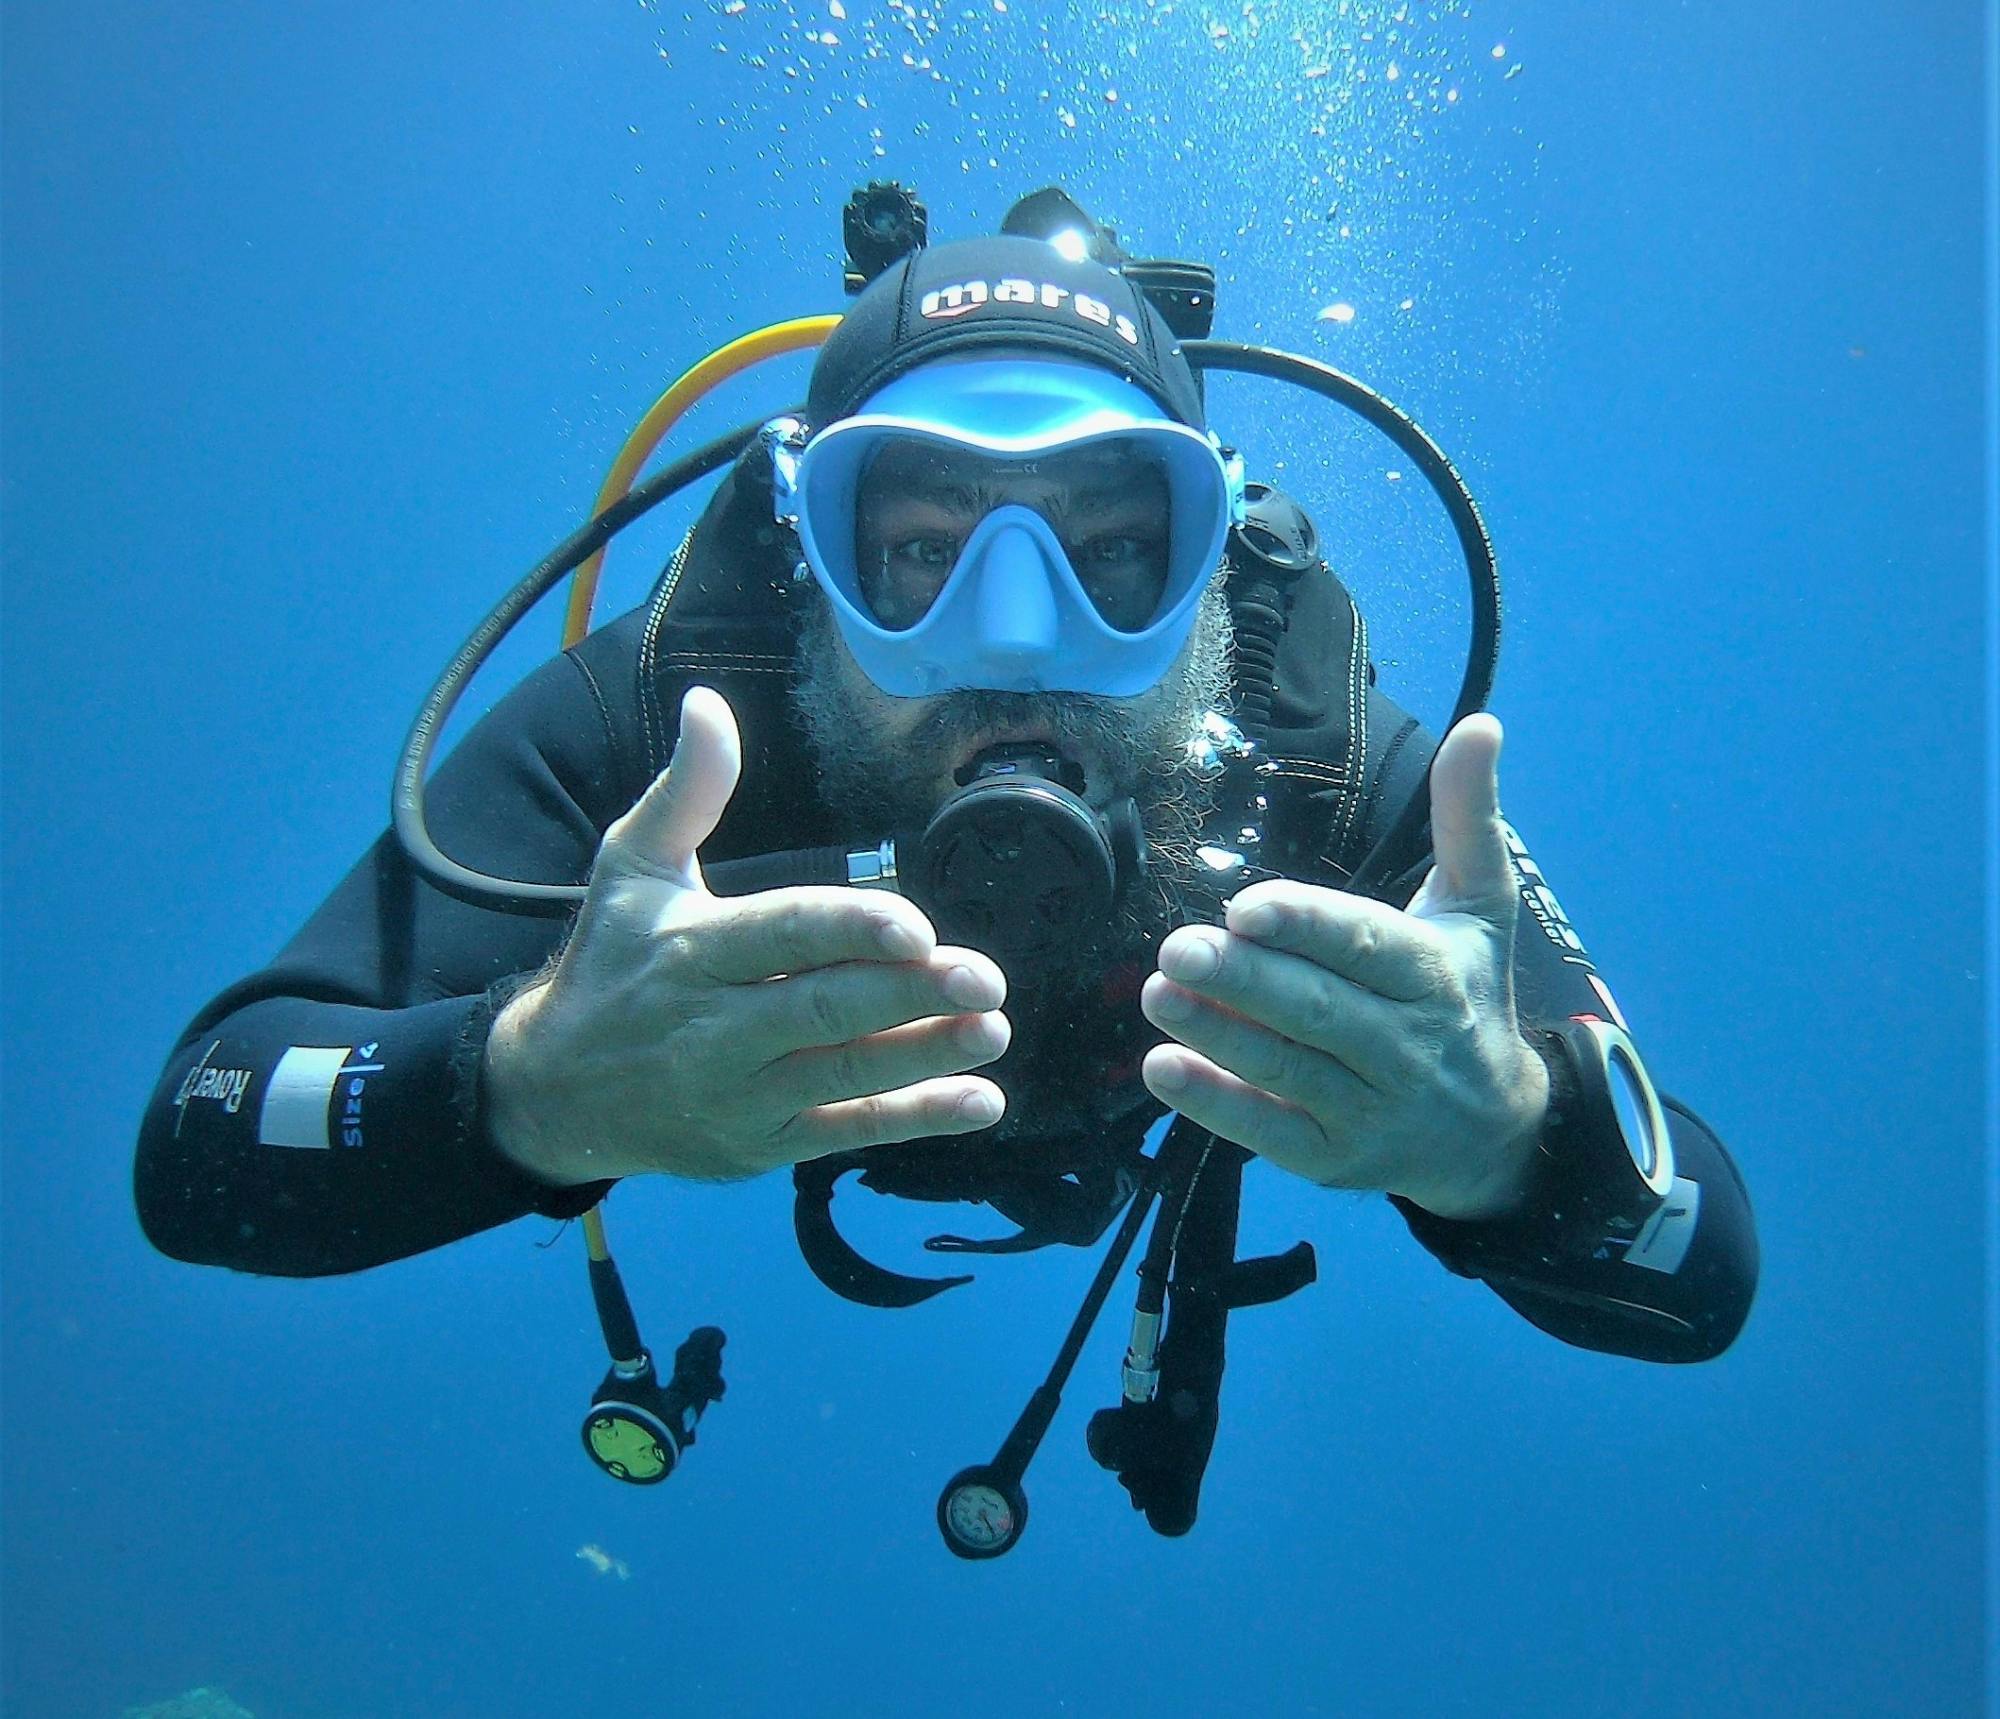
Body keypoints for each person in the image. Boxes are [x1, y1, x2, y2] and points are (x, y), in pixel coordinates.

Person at [136, 193, 1756, 1534]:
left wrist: (1511, 1140)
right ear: (802, 548)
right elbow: (205, 1126)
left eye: (1117, 549)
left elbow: (1702, 1261)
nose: (1017, 636)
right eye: (918, 547)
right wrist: (523, 1088)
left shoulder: (1327, 760)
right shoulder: (684, 710)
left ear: (1215, 552)